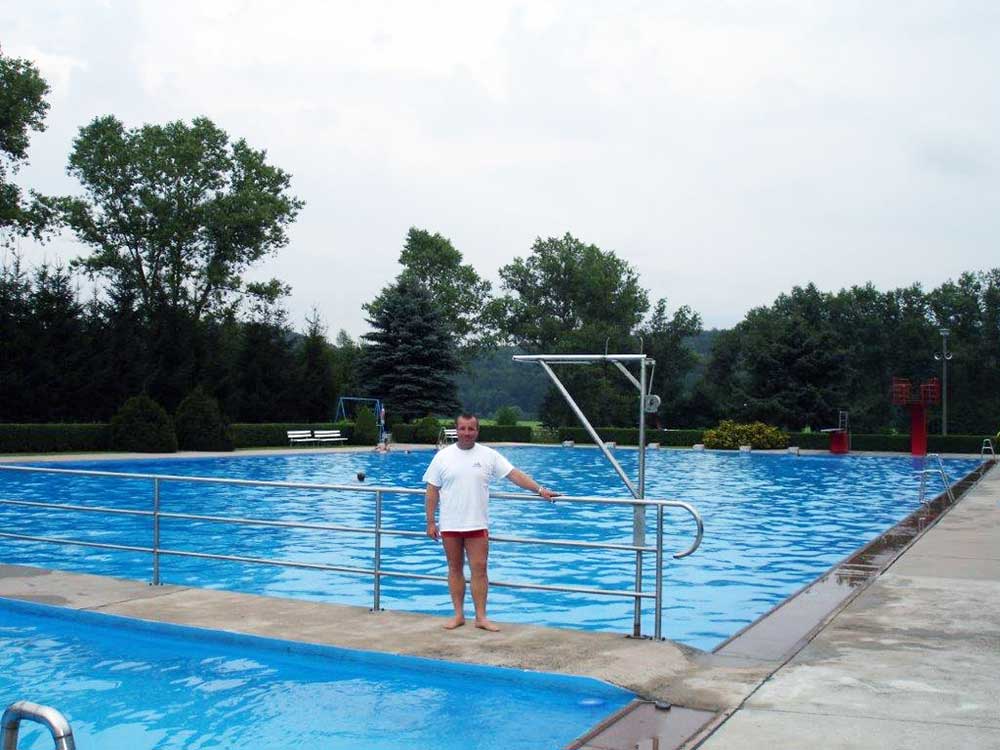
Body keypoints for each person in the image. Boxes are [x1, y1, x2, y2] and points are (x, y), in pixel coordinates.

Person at [424, 413, 559, 632]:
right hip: (450, 525)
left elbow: (514, 475)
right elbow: (432, 491)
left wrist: (540, 490)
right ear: (456, 430)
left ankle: (481, 617)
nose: (467, 433)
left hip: (477, 524)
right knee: (454, 569)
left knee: (480, 569)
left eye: (471, 429)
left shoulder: (489, 456)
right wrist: (430, 521)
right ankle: (458, 615)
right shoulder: (442, 457)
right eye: (462, 428)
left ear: (477, 431)